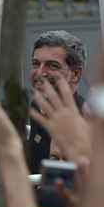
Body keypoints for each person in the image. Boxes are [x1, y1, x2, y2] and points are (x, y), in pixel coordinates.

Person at [28, 30, 88, 173]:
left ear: (75, 74)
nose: (40, 73)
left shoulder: (87, 119)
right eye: (36, 64)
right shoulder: (36, 107)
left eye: (52, 65)